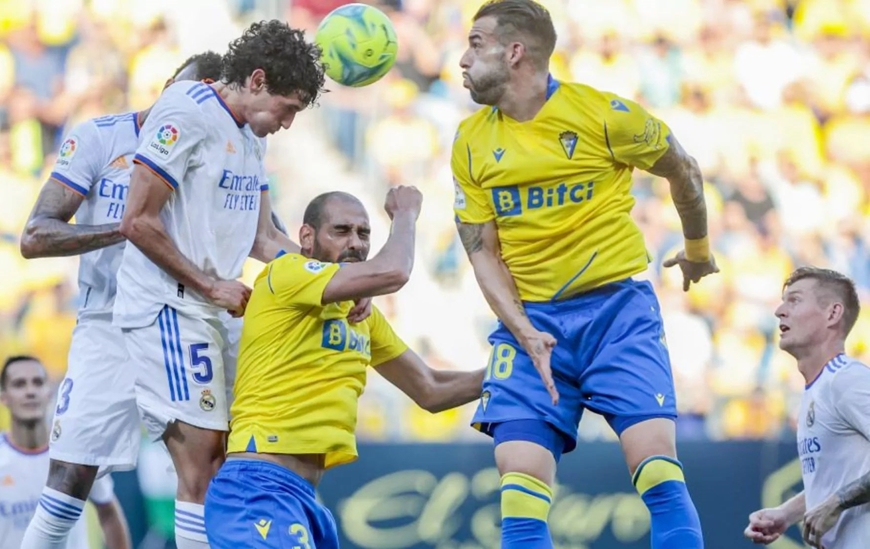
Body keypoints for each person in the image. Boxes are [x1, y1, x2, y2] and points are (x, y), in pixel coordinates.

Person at [451, 1, 718, 547]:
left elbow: (683, 168)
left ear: (514, 52)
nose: (462, 59)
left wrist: (697, 247)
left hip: (616, 313)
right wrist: (523, 331)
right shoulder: (470, 141)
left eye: (476, 44)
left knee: (657, 472)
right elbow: (482, 253)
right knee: (520, 497)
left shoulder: (605, 115)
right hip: (530, 323)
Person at [112, 21, 368, 548]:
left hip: (214, 308)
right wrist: (210, 286)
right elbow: (136, 220)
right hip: (168, 306)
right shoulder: (186, 111)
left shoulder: (251, 139)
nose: (288, 124)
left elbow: (264, 237)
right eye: (287, 109)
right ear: (256, 80)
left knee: (239, 453)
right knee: (203, 462)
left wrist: (339, 280)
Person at [17, 52, 224, 549]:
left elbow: (263, 235)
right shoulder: (100, 137)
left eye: (210, 101)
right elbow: (35, 236)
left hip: (181, 320)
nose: (195, 107)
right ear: (170, 83)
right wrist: (129, 228)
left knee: (203, 473)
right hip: (106, 322)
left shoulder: (219, 154)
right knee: (69, 479)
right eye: (191, 91)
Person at [203, 189, 485, 548]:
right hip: (259, 487)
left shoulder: (361, 314)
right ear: (307, 237)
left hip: (303, 496)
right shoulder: (287, 273)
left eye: (363, 233)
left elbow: (430, 388)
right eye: (341, 231)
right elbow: (393, 271)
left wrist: (508, 373)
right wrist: (405, 214)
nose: (355, 242)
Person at [744, 268, 870, 548]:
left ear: (832, 313)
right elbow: (841, 477)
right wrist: (786, 513)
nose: (779, 311)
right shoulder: (819, 387)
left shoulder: (847, 380)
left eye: (795, 300)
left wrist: (838, 502)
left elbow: (838, 495)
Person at [0, 355, 131, 549]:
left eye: (38, 383)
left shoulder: (75, 452)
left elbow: (109, 512)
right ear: (3, 397)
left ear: (50, 392)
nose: (30, 391)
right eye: (19, 384)